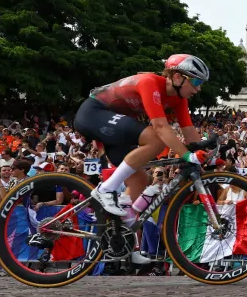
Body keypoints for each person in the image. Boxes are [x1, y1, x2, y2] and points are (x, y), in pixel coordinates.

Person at [74, 54, 212, 216]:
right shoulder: (149, 82)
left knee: (140, 180)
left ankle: (121, 226)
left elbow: (189, 132)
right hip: (94, 113)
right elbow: (160, 127)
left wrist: (203, 155)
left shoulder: (179, 99)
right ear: (177, 77)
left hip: (114, 126)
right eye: (196, 82)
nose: (199, 88)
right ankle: (105, 189)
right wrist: (188, 155)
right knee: (156, 139)